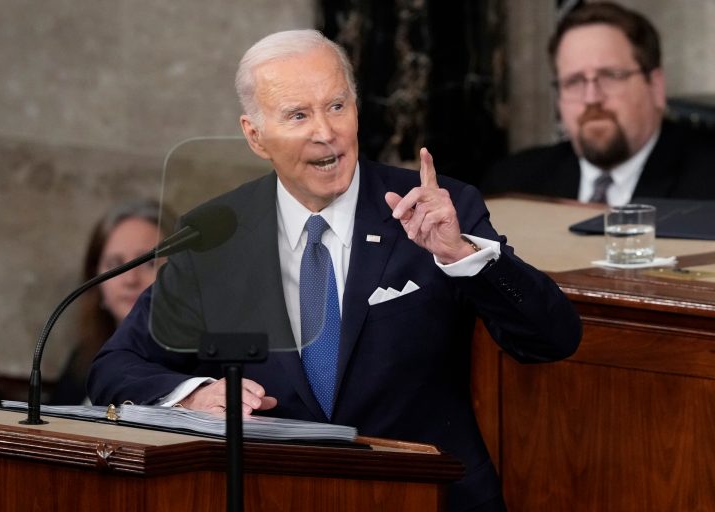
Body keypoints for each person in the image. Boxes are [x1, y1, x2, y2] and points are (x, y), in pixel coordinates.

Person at [87, 30, 582, 511]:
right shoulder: (215, 237)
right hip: (276, 497)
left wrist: (460, 254)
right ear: (256, 136)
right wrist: (193, 396)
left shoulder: (434, 209)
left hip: (428, 496)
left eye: (337, 106)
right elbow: (114, 368)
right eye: (298, 114)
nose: (326, 132)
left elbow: (552, 338)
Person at [482, 2, 715, 206]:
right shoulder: (513, 185)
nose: (591, 98)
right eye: (574, 81)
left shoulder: (707, 184)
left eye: (610, 76)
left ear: (655, 86)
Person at [48, 199, 177, 405]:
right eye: (116, 264)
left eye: (149, 263)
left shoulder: (193, 365)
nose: (130, 279)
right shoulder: (83, 357)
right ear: (94, 277)